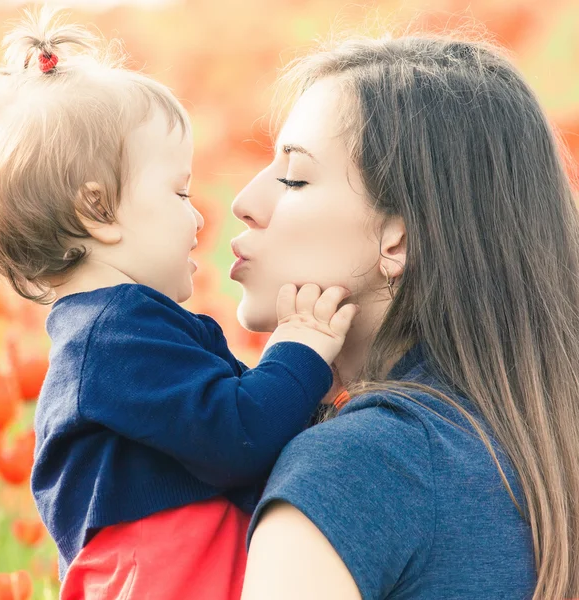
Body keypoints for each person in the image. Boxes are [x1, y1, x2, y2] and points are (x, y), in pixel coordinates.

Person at [0, 10, 358, 599]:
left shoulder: (113, 335)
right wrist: (300, 350)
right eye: (179, 191)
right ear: (97, 212)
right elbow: (241, 437)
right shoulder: (114, 338)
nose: (199, 215)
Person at [231, 34, 579, 599]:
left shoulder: (361, 466)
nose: (244, 201)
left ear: (397, 240)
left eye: (294, 178)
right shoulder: (541, 449)